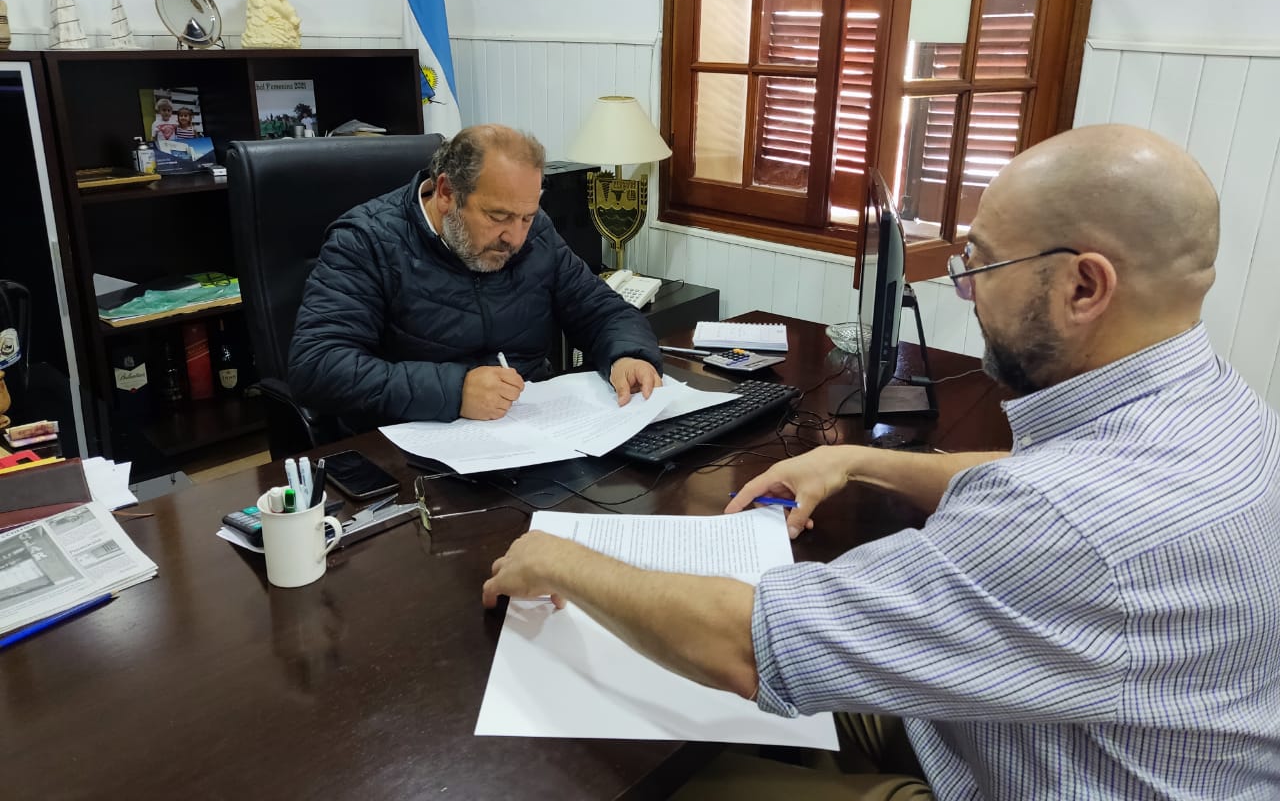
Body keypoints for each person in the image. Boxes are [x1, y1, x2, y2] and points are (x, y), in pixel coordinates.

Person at [481, 124, 1280, 799]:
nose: (969, 293)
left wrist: (563, 558)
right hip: (1041, 734)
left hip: (1012, 769)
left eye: (981, 267)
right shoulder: (1221, 410)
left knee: (655, 776)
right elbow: (1027, 486)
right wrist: (859, 461)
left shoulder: (1062, 520)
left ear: (1084, 287)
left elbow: (748, 648)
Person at [290, 124, 663, 431]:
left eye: (527, 217)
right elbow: (318, 366)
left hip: (530, 429)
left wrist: (627, 355)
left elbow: (600, 310)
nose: (515, 237)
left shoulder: (535, 234)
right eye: (498, 217)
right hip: (413, 445)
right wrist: (454, 391)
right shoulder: (366, 241)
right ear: (446, 193)